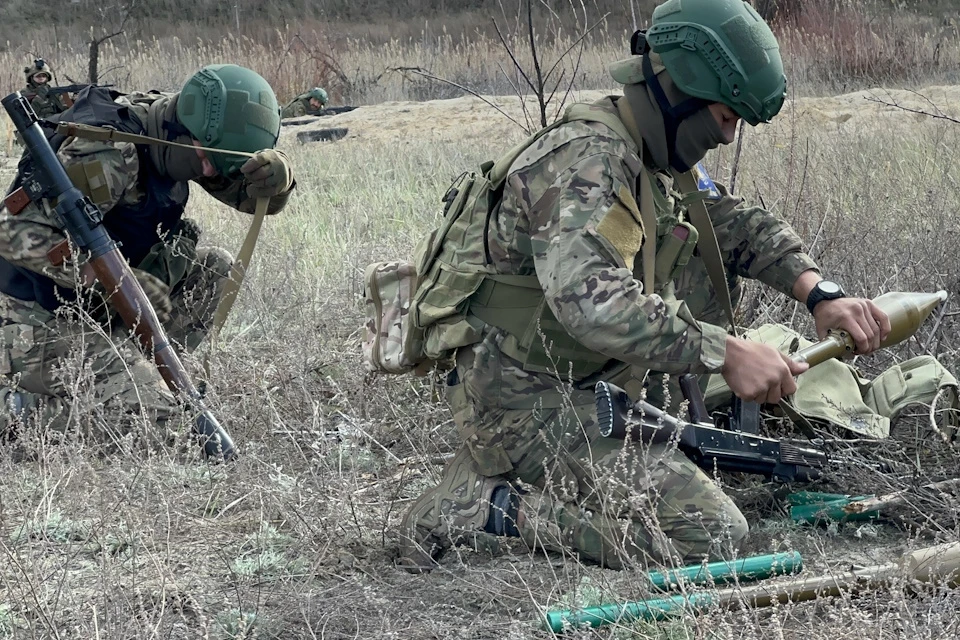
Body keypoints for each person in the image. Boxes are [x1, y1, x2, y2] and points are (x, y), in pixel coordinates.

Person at [397, 0, 890, 572]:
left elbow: (731, 223)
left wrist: (818, 292)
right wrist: (723, 352)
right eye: (726, 119)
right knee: (712, 534)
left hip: (590, 381)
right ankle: (485, 508)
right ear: (681, 93)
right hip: (523, 399)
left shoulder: (649, 152)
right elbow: (593, 305)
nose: (728, 138)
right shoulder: (587, 160)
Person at [0, 64, 295, 445]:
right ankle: (15, 411)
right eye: (205, 159)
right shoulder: (108, 155)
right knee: (155, 421)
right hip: (33, 317)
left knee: (215, 269)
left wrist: (278, 180)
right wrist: (107, 276)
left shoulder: (179, 130)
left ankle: (142, 373)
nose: (207, 171)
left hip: (101, 310)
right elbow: (9, 230)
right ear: (182, 133)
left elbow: (250, 196)